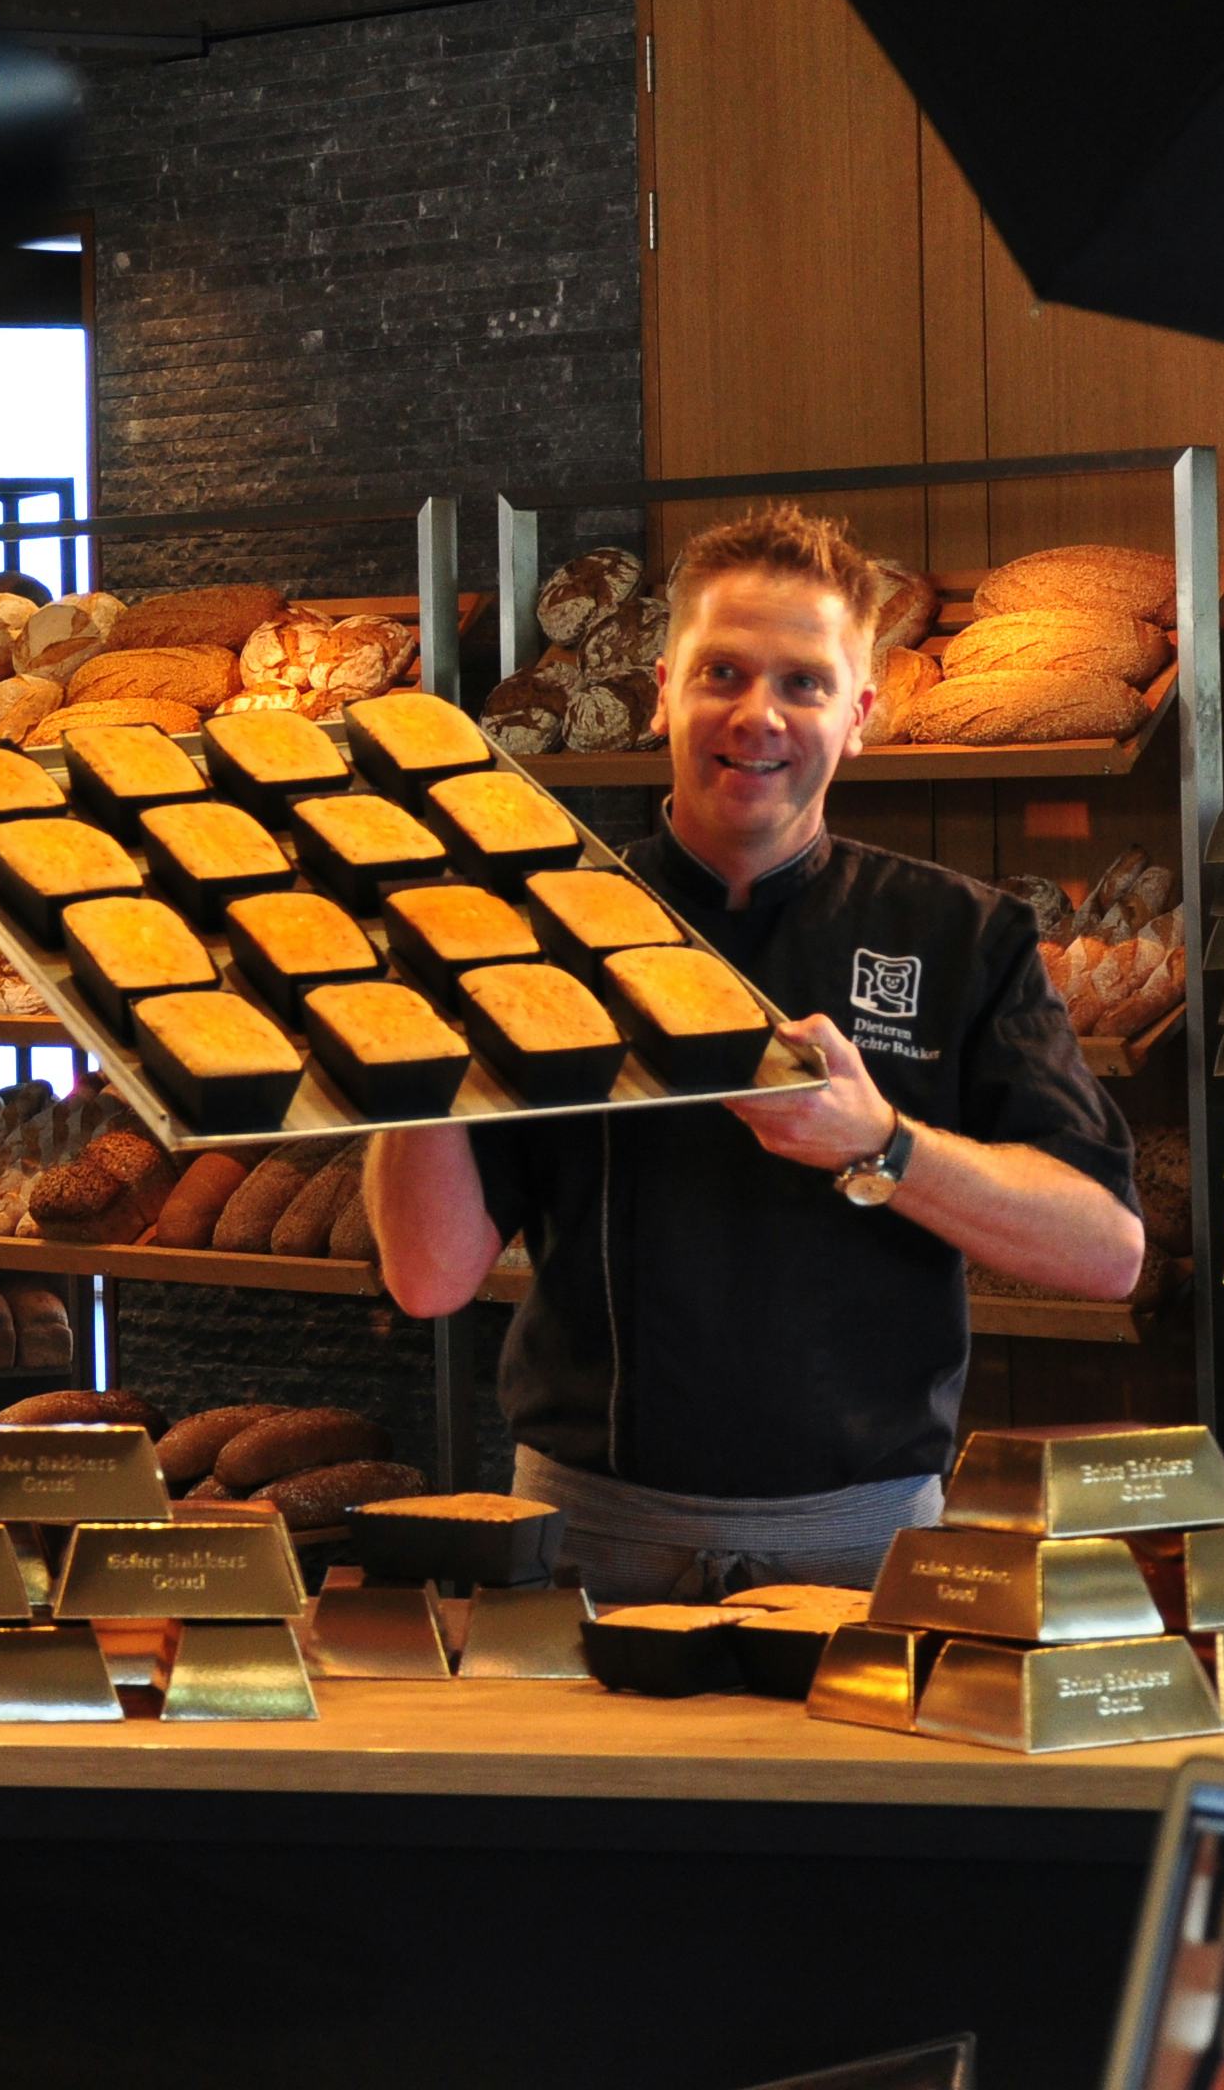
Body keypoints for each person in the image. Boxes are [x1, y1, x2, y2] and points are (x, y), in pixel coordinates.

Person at [366, 505, 1147, 1602]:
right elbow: (427, 1274)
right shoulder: (538, 930)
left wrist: (879, 1143)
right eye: (721, 671)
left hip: (868, 1543)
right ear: (661, 689)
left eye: (803, 682)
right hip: (586, 1536)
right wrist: (408, 1025)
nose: (756, 714)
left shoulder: (960, 934)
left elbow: (1106, 1250)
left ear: (860, 713)